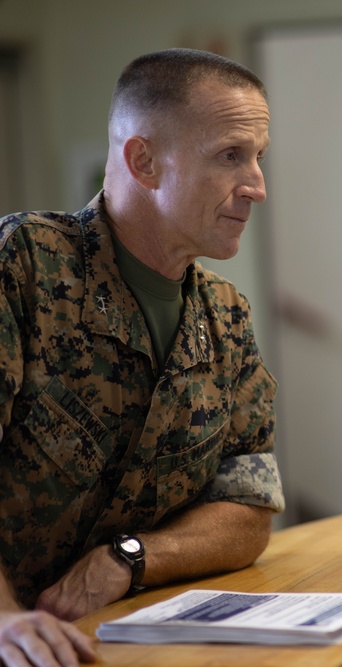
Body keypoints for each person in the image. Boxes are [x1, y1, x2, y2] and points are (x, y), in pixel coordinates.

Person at [0, 48, 284, 665]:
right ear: (145, 161)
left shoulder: (225, 316)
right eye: (231, 156)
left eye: (259, 157)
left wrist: (129, 559)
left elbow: (248, 509)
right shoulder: (22, 266)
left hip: (128, 639)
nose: (257, 186)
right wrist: (6, 621)